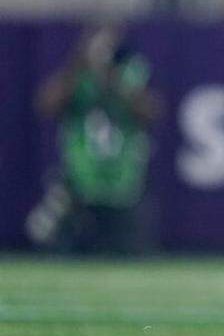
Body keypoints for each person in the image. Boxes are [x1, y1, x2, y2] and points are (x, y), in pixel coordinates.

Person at [25, 25, 160, 254]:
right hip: (79, 183)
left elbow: (150, 111)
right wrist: (78, 65)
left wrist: (112, 79)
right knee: (51, 243)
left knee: (131, 253)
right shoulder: (76, 77)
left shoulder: (128, 74)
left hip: (123, 186)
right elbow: (45, 104)